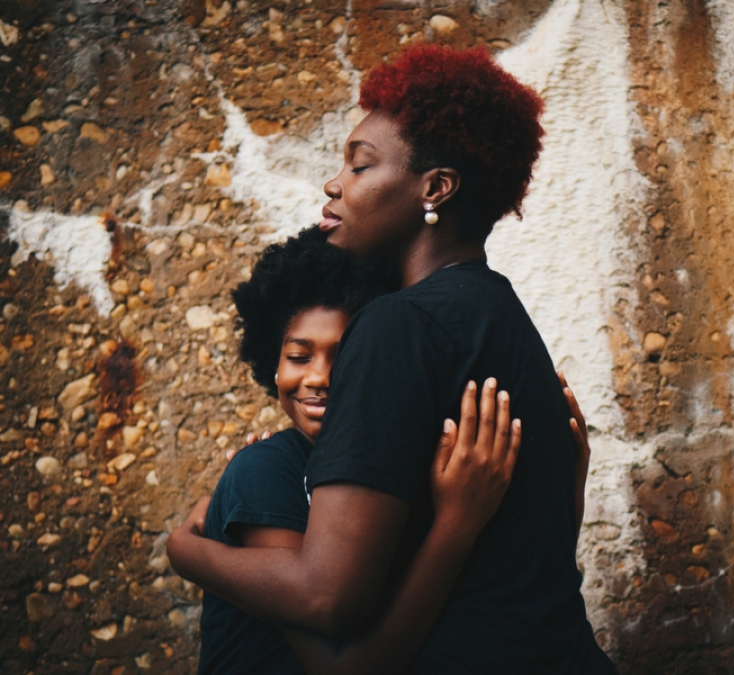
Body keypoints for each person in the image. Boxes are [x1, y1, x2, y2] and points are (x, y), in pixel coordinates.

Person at [168, 44, 618, 673]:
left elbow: (326, 597)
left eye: (360, 165)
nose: (335, 184)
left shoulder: (396, 326)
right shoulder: (503, 317)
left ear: (435, 188)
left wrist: (187, 550)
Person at [200, 226, 522, 674]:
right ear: (272, 365)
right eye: (299, 357)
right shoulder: (266, 471)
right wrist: (456, 525)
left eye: (345, 357)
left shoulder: (386, 472)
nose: (319, 377)